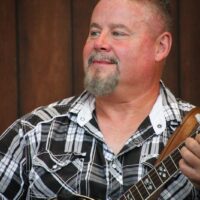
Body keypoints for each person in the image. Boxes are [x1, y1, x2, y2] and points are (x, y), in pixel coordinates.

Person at [0, 0, 200, 199]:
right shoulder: (31, 134)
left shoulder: (195, 133)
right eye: (94, 32)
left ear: (161, 47)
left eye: (118, 33)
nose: (99, 43)